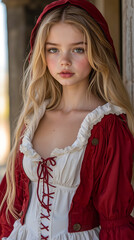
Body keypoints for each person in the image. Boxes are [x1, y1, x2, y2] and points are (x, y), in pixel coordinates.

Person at [0, 0, 134, 239]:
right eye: (53, 49)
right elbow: (11, 205)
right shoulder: (33, 121)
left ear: (96, 51)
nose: (64, 60)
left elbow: (115, 221)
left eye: (78, 49)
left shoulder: (107, 125)